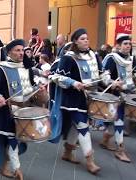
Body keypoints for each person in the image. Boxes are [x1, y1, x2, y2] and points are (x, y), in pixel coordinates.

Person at [0, 39, 44, 180]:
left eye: (22, 50)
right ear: (9, 52)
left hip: (25, 111)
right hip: (7, 112)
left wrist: (38, 89)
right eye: (17, 50)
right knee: (12, 139)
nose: (21, 53)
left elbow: (30, 87)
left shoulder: (27, 68)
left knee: (16, 140)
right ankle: (16, 168)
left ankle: (4, 163)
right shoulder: (0, 69)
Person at [49, 28, 102, 174]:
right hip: (71, 99)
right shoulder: (68, 57)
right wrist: (74, 83)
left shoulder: (93, 55)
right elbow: (58, 77)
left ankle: (67, 152)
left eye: (87, 38)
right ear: (75, 41)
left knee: (75, 126)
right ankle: (90, 161)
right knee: (83, 125)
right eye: (83, 39)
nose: (86, 41)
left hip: (87, 97)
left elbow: (100, 74)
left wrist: (107, 79)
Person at [101, 34, 136, 163]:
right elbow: (104, 76)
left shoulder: (132, 59)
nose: (128, 46)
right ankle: (120, 150)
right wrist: (113, 82)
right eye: (125, 44)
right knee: (118, 121)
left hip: (126, 94)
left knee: (118, 120)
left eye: (129, 44)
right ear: (118, 45)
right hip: (113, 94)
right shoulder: (111, 58)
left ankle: (105, 141)